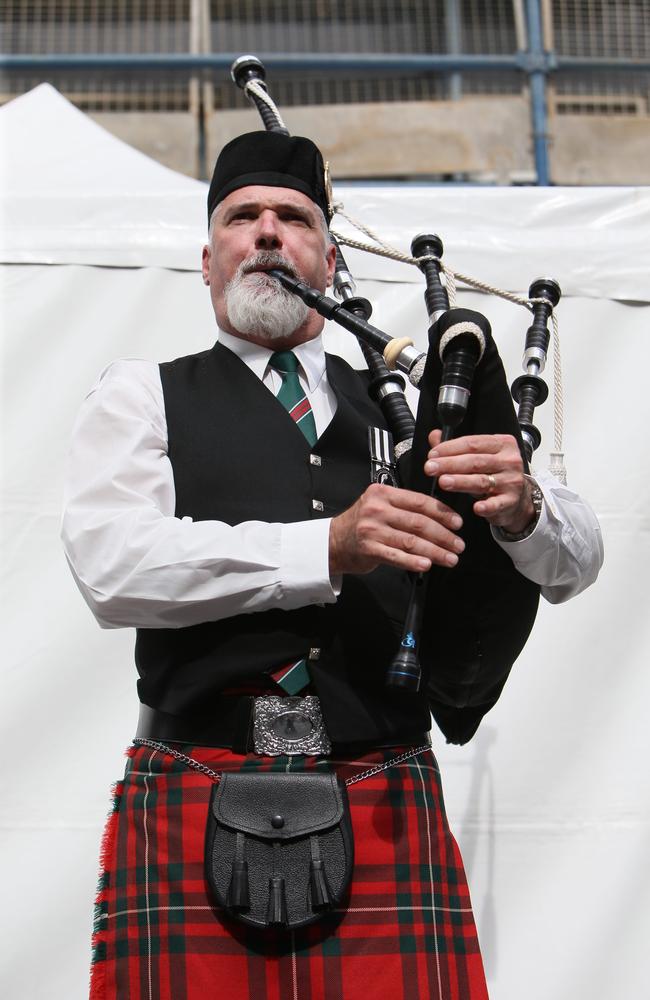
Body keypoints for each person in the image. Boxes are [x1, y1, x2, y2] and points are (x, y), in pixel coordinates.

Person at [62, 131, 603, 1000]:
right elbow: (111, 566)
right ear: (209, 261)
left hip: (384, 787)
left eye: (294, 218)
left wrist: (525, 508)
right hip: (196, 785)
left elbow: (578, 559)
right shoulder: (142, 394)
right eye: (243, 218)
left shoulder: (416, 399)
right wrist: (328, 546)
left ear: (329, 255)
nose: (268, 233)